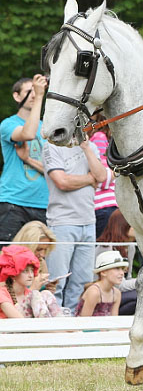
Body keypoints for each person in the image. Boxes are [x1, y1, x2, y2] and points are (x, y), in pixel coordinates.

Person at [43, 136, 107, 311]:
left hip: (88, 222)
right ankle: (52, 326)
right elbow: (61, 181)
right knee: (56, 280)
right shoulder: (51, 146)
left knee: (82, 281)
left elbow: (101, 176)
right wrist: (89, 179)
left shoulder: (91, 147)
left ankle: (72, 325)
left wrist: (86, 147)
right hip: (62, 221)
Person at [0, 75, 50, 242]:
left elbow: (53, 170)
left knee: (38, 262)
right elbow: (27, 134)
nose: (35, 95)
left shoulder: (47, 128)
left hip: (44, 204)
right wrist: (40, 97)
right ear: (17, 96)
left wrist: (28, 160)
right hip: (14, 202)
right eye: (30, 91)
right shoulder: (8, 124)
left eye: (37, 91)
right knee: (9, 258)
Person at [0, 244, 64, 318]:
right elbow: (19, 320)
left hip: (33, 327)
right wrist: (33, 290)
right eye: (25, 271)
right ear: (13, 274)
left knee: (46, 293)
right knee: (35, 294)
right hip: (12, 327)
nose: (31, 275)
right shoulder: (2, 293)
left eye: (32, 270)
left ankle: (62, 325)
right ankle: (54, 328)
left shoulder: (27, 292)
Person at [89, 121, 119, 238]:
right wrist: (119, 170)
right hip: (104, 206)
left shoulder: (105, 139)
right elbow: (103, 178)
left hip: (108, 206)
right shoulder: (100, 137)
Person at [75, 251, 126, 317]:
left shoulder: (117, 293)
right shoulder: (94, 292)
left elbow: (114, 320)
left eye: (122, 269)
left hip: (107, 326)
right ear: (103, 272)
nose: (122, 273)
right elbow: (84, 322)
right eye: (117, 268)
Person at [11, 221, 57, 293]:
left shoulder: (41, 262)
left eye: (45, 249)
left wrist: (48, 290)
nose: (42, 254)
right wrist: (33, 289)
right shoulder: (6, 263)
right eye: (38, 249)